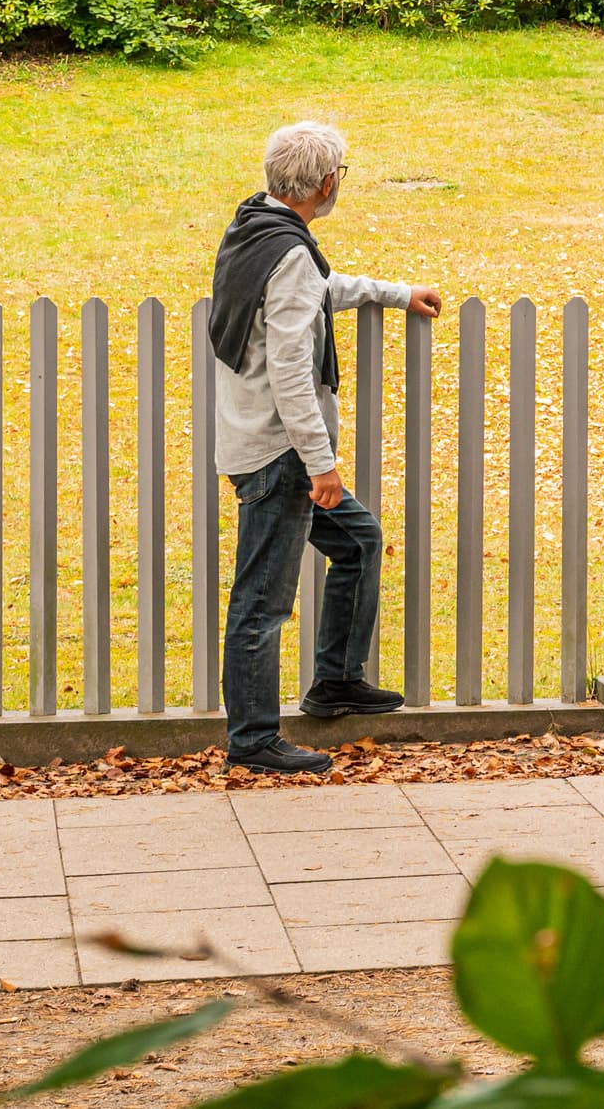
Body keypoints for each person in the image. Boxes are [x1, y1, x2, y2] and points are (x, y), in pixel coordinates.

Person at [209, 119, 440, 774]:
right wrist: (322, 467)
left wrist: (396, 294)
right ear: (328, 182)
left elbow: (314, 293)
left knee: (357, 542)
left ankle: (336, 681)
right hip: (278, 455)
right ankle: (252, 739)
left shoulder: (254, 227)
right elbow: (288, 367)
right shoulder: (285, 252)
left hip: (264, 443)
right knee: (261, 599)